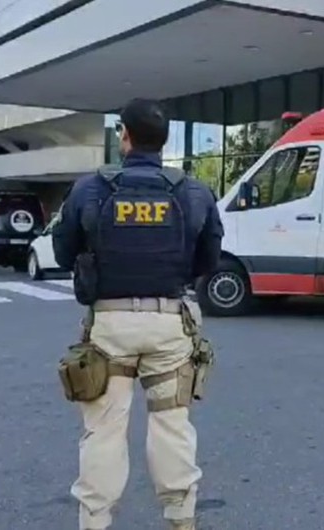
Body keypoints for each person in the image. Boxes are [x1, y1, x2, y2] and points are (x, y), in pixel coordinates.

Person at [52, 98, 223, 530]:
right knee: (171, 425)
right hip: (170, 325)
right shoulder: (194, 191)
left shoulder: (91, 188)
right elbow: (209, 262)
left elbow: (62, 250)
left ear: (124, 136)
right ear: (163, 141)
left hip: (109, 327)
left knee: (104, 431)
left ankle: (95, 522)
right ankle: (181, 519)